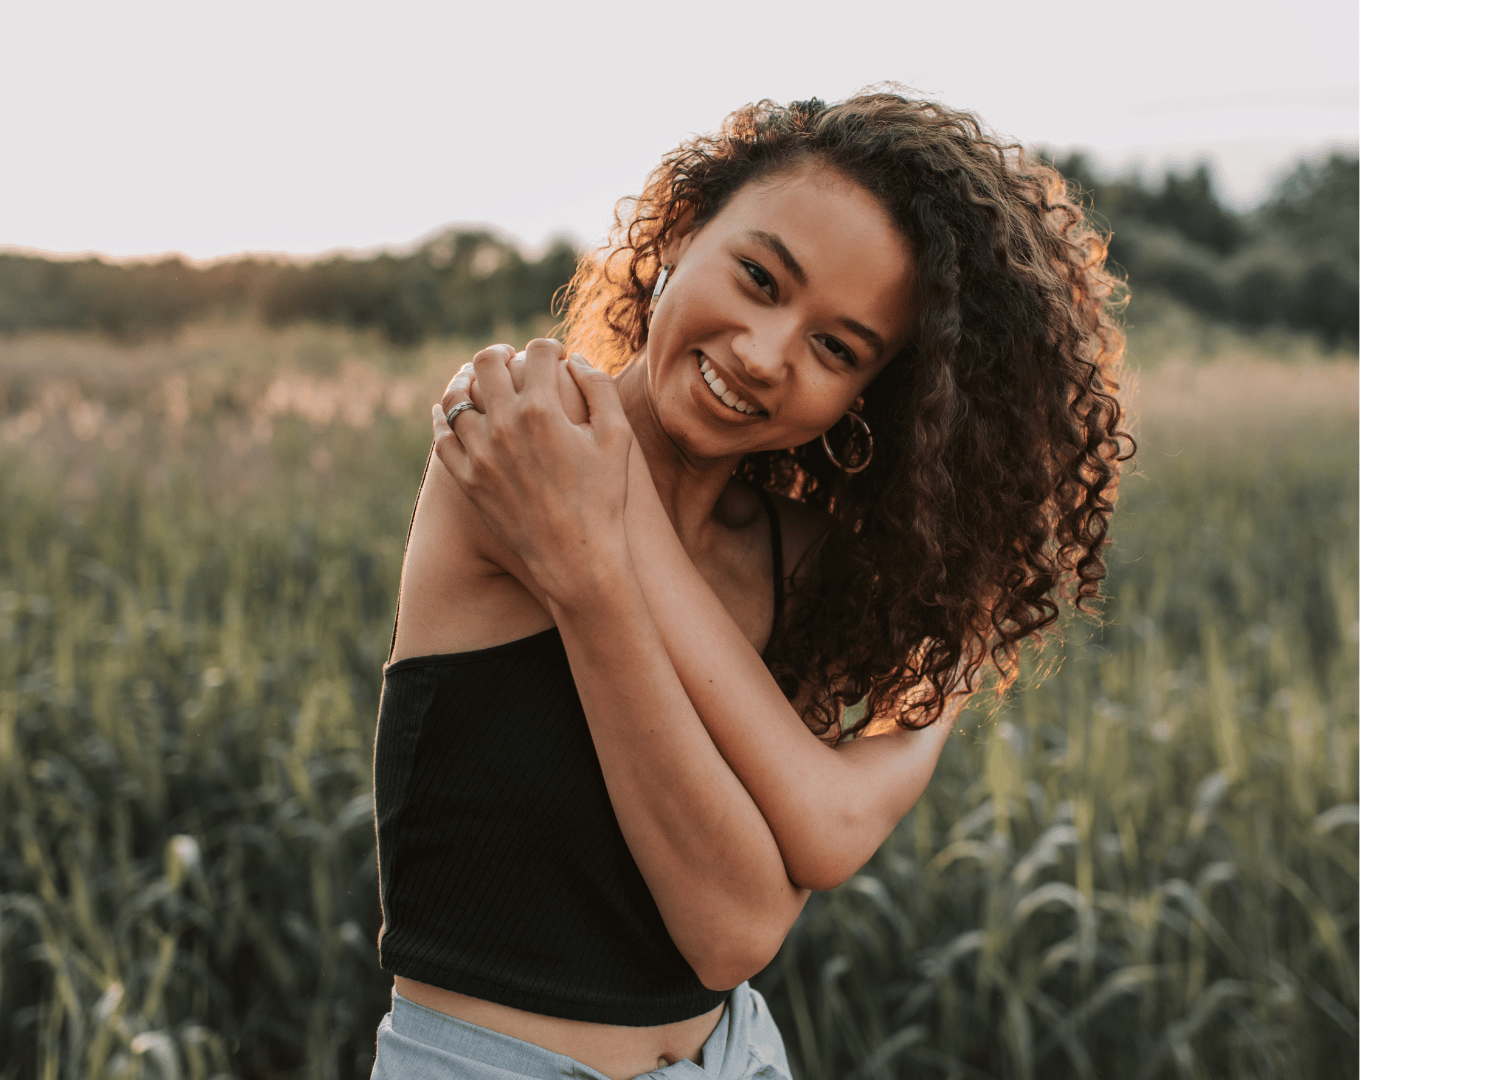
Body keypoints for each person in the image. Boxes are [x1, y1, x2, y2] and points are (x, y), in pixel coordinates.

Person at [369, 91, 1130, 1079]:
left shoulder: (802, 562)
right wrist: (598, 585)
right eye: (762, 279)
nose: (766, 355)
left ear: (872, 398)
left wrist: (604, 561)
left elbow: (796, 862)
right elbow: (732, 930)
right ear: (684, 230)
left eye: (837, 348)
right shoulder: (524, 438)